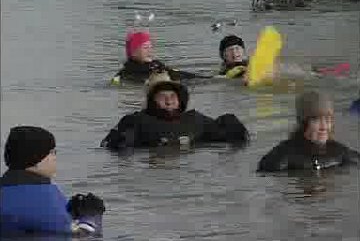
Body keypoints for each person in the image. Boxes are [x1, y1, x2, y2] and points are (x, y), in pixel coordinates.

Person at [101, 71, 250, 150]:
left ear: (180, 99)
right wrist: (120, 141)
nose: (169, 100)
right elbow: (111, 148)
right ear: (152, 100)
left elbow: (228, 137)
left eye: (173, 95)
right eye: (162, 96)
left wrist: (233, 126)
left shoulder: (195, 120)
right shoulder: (136, 121)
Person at [0, 126, 105, 238]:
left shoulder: (6, 189)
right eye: (52, 152)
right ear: (36, 158)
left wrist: (70, 214)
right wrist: (92, 216)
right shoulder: (39, 197)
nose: (55, 157)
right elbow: (80, 236)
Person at [257, 91, 360, 172]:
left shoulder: (340, 153)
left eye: (327, 120)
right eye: (316, 120)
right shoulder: (280, 158)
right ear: (303, 123)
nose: (324, 127)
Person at [111, 31, 210, 85]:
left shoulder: (156, 64)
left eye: (150, 47)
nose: (150, 51)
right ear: (133, 53)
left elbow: (176, 73)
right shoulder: (125, 73)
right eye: (145, 47)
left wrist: (206, 78)